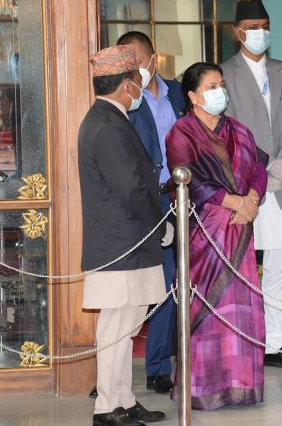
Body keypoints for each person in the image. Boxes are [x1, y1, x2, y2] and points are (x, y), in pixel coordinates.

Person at [166, 62, 268, 410]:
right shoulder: (181, 132)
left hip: (240, 228)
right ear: (193, 96)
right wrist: (234, 201)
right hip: (205, 234)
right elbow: (187, 178)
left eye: (221, 84)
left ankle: (241, 384)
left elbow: (258, 167)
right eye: (211, 86)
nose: (219, 91)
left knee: (240, 307)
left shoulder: (239, 129)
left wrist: (251, 199)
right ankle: (203, 387)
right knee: (209, 307)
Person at [78, 44, 171, 426]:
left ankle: (124, 400)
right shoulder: (107, 125)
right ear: (125, 84)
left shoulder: (108, 119)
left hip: (128, 243)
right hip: (121, 245)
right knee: (116, 330)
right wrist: (161, 225)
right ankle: (106, 408)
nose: (139, 87)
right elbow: (132, 189)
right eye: (136, 80)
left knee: (126, 328)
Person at [220, 0, 282, 370]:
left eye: (265, 25)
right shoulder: (223, 74)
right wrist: (256, 170)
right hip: (242, 185)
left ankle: (274, 343)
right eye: (253, 27)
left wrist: (277, 170)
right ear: (238, 32)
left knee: (279, 264)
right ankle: (240, 339)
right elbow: (225, 129)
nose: (260, 33)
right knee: (238, 264)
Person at [117, 31, 186, 395]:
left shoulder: (179, 93)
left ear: (154, 60)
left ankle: (162, 367)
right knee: (138, 287)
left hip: (181, 199)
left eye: (139, 63)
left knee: (173, 283)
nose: (135, 71)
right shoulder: (126, 99)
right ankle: (114, 374)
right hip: (143, 201)